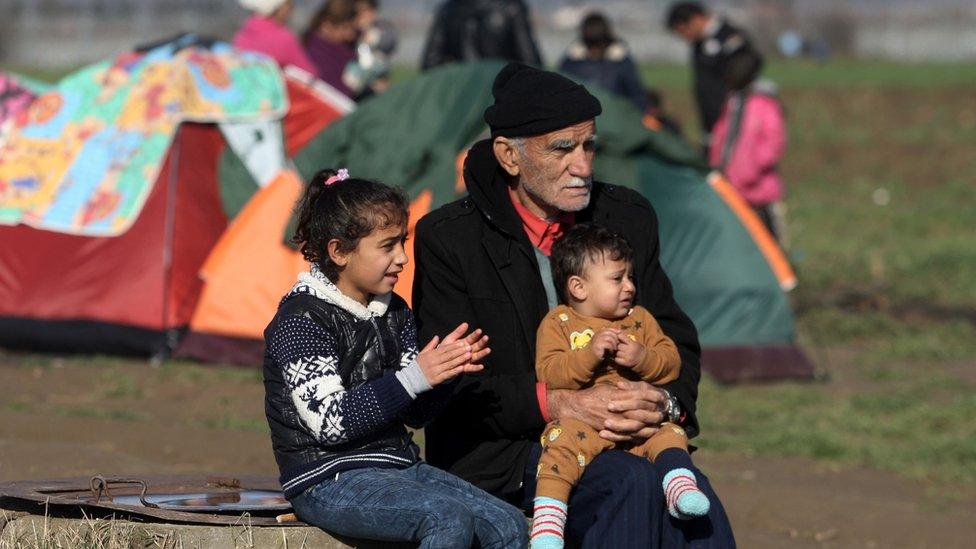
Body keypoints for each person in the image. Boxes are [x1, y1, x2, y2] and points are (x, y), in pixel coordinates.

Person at [413, 62, 735, 547]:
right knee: (629, 485)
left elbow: (676, 338)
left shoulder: (626, 217)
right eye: (563, 148)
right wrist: (560, 402)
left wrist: (662, 404)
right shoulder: (450, 238)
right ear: (509, 156)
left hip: (630, 433)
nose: (583, 165)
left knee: (699, 517)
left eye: (589, 145)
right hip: (502, 451)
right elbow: (452, 388)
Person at [263, 168, 528, 548]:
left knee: (509, 524)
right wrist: (416, 376)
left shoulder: (395, 312)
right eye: (387, 246)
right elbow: (330, 423)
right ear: (339, 252)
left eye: (403, 242)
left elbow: (412, 415)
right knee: (445, 517)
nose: (403, 257)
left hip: (397, 465)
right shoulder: (301, 320)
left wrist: (444, 373)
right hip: (327, 477)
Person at [530, 223, 710, 548]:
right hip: (582, 424)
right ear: (578, 287)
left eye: (630, 277)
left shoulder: (639, 319)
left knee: (671, 433)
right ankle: (548, 521)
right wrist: (589, 354)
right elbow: (550, 373)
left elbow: (671, 363)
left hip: (638, 425)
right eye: (617, 278)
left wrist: (642, 357)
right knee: (559, 447)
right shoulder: (558, 322)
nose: (629, 287)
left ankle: (679, 484)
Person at [708, 49, 787, 239]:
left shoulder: (765, 104)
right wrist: (716, 166)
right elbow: (721, 137)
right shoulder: (732, 102)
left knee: (767, 240)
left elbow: (774, 142)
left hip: (758, 189)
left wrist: (749, 171)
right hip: (732, 188)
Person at [665, 1, 756, 155]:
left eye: (683, 30)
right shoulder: (698, 44)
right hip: (710, 121)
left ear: (696, 19)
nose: (684, 37)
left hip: (735, 119)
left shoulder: (730, 37)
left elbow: (747, 70)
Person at [558, 11, 646, 112]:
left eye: (598, 45)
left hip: (617, 121)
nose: (595, 52)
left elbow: (636, 96)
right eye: (591, 46)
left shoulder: (621, 62)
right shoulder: (571, 62)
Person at [420, 0, 543, 70]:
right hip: (501, 98)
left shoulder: (448, 9)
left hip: (460, 98)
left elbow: (429, 64)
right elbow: (531, 62)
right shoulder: (513, 7)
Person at [233, 0, 317, 75]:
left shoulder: (246, 27)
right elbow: (310, 74)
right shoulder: (284, 39)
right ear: (281, 8)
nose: (291, 10)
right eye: (289, 4)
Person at [303, 0, 359, 98]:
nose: (349, 35)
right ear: (326, 26)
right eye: (345, 28)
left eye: (352, 29)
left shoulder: (343, 51)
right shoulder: (316, 55)